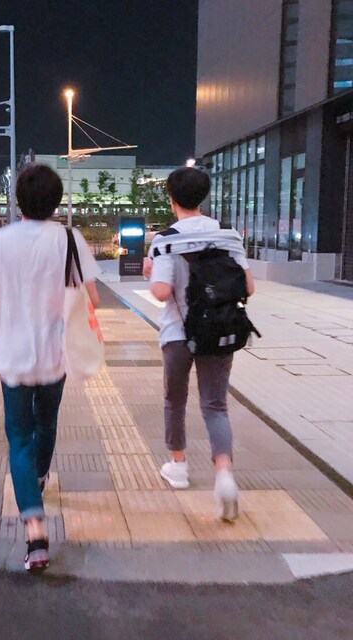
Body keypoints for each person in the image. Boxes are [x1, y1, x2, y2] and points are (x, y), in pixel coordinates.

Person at [0, 164, 100, 573]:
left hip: (13, 358)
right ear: (56, 200)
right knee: (47, 423)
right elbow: (93, 299)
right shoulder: (71, 239)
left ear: (18, 199)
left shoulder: (0, 241)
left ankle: (35, 528)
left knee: (19, 436)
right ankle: (37, 479)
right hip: (56, 356)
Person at [143, 167, 255, 522]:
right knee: (216, 405)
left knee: (175, 400)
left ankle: (178, 466)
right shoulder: (228, 235)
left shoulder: (165, 240)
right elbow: (248, 287)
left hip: (178, 335)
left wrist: (151, 271)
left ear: (172, 199)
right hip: (219, 331)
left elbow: (162, 292)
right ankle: (224, 474)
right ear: (203, 197)